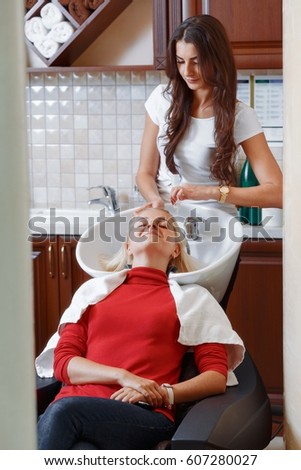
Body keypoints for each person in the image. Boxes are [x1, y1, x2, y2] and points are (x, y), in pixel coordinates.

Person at [36, 207, 245, 450]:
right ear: (128, 248)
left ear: (176, 249)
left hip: (141, 414)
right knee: (82, 450)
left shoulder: (193, 299)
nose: (151, 227)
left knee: (63, 414)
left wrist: (165, 393)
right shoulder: (92, 293)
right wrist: (123, 377)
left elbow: (216, 378)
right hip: (74, 408)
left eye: (162, 224)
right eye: (140, 226)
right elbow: (64, 363)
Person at [136, 15, 283, 215]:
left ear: (216, 59)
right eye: (180, 62)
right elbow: (145, 173)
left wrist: (209, 192)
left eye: (196, 62)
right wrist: (156, 201)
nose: (187, 71)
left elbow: (278, 192)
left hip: (217, 228)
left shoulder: (239, 115)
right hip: (168, 225)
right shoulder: (161, 100)